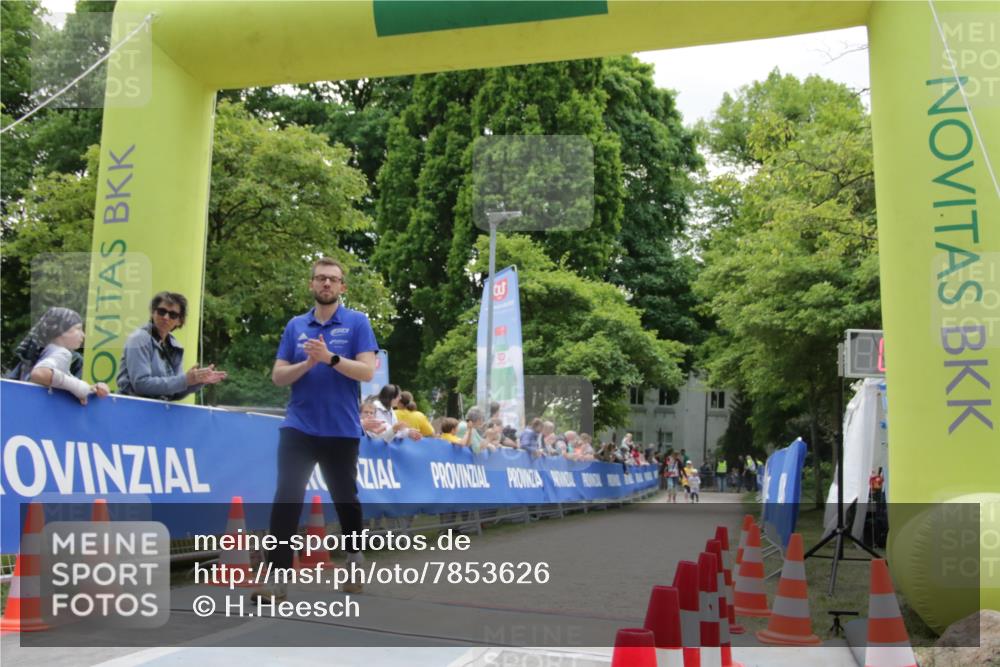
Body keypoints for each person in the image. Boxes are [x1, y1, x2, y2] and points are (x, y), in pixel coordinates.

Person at [257, 257, 378, 601]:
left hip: (340, 429)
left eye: (333, 279)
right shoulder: (296, 326)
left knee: (345, 499)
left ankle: (354, 561)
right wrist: (307, 363)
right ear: (311, 284)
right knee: (286, 498)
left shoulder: (357, 323)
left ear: (343, 287)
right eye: (320, 278)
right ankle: (277, 578)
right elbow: (278, 376)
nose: (326, 284)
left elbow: (367, 372)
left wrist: (330, 359)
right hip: (298, 426)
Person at [117, 292, 226, 400]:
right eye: (161, 311)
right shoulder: (139, 338)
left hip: (158, 411)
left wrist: (197, 381)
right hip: (131, 409)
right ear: (153, 313)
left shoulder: (174, 346)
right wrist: (185, 380)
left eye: (173, 315)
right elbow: (140, 384)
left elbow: (174, 393)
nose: (166, 317)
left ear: (179, 321)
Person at [10, 307, 110, 404]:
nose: (83, 335)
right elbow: (39, 373)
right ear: (60, 331)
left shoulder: (37, 356)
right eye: (78, 329)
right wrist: (79, 387)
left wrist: (91, 388)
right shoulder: (62, 353)